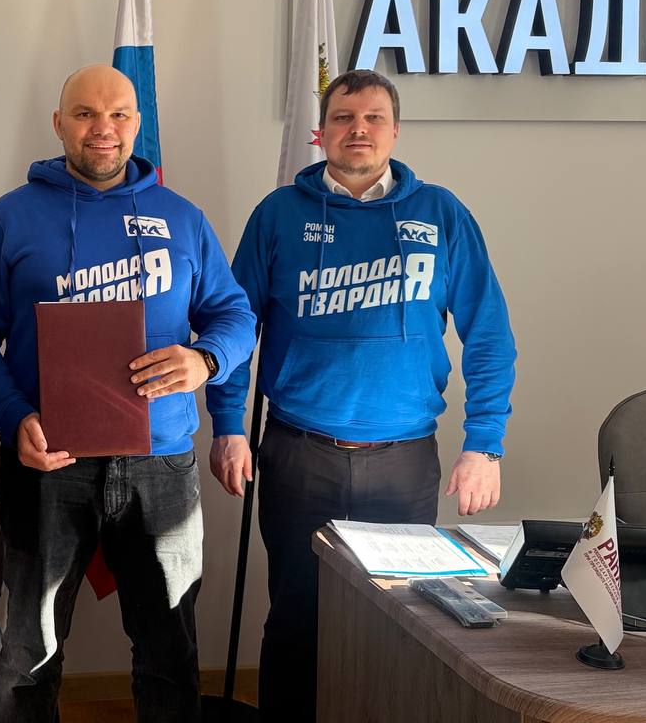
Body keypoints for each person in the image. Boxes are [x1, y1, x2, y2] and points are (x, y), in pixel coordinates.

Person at [208, 68, 517, 722]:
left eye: (374, 117)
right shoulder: (278, 215)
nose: (359, 129)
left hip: (404, 461)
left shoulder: (441, 214)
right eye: (344, 117)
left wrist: (485, 444)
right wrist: (229, 425)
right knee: (296, 617)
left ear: (395, 131)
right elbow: (234, 328)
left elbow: (489, 335)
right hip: (299, 454)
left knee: (404, 621)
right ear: (321, 132)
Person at [0, 64, 257, 723]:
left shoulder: (182, 217)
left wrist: (206, 360)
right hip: (46, 463)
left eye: (118, 113)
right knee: (29, 652)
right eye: (86, 113)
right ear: (59, 123)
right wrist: (12, 418)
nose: (103, 128)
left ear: (137, 124)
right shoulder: (11, 217)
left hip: (160, 464)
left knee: (169, 647)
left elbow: (235, 315)